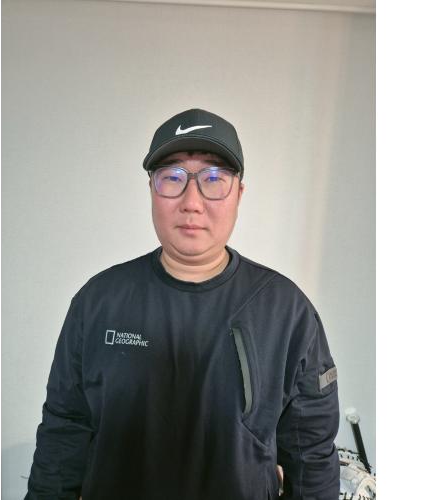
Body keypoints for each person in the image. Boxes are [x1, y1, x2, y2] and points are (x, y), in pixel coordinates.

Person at [25, 108, 340, 499]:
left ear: (239, 194)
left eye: (214, 178)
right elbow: (62, 435)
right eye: (172, 178)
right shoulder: (98, 301)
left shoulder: (286, 311)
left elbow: (311, 457)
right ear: (152, 190)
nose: (192, 202)